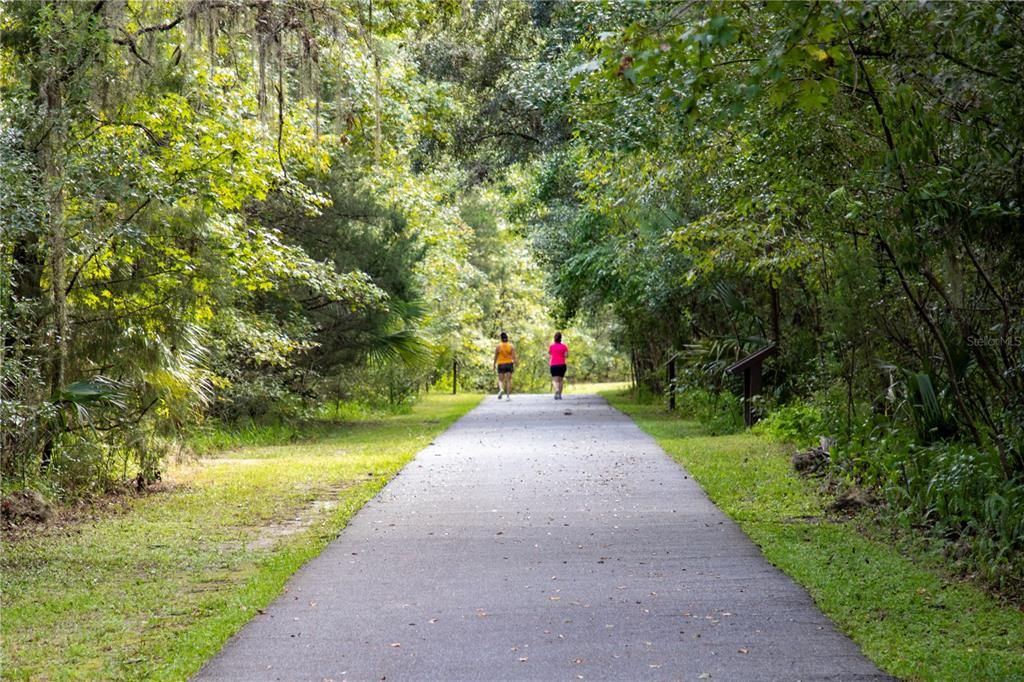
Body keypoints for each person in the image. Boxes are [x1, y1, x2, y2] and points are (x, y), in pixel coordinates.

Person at [493, 332, 517, 400]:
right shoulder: (511, 346)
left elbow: (495, 356)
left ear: (501, 339)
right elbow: (514, 356)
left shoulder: (498, 346)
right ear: (507, 338)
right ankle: (508, 396)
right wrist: (515, 363)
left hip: (501, 364)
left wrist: (494, 364)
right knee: (508, 380)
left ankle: (501, 389)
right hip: (509, 364)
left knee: (500, 380)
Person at [548, 331, 569, 400]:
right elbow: (566, 356)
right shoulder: (564, 346)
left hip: (554, 364)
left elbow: (550, 354)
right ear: (561, 338)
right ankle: (559, 394)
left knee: (554, 380)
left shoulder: (551, 346)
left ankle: (556, 390)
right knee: (560, 380)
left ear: (554, 338)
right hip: (562, 364)